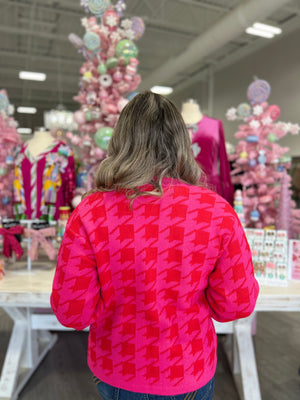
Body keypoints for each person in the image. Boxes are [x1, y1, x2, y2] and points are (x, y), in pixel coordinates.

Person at [51, 91, 259, 400]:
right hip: (189, 368)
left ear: (120, 142)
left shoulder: (90, 212)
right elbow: (236, 305)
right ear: (182, 143)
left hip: (117, 367)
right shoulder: (217, 212)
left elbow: (72, 311)